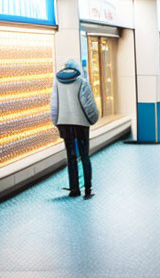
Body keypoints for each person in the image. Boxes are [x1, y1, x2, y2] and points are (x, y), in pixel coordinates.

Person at [50, 58, 99, 199]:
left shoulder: (57, 82)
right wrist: (93, 119)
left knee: (71, 157)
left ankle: (74, 189)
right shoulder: (82, 82)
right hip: (81, 123)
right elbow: (88, 105)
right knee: (84, 156)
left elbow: (54, 104)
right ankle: (88, 189)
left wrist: (57, 122)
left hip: (64, 123)